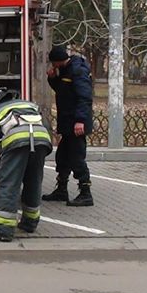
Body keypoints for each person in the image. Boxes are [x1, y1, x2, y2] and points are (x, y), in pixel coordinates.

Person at [0, 88, 53, 242]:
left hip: (17, 142)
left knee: (9, 184)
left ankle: (3, 229)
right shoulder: (29, 105)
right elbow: (46, 124)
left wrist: (1, 162)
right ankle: (30, 223)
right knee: (33, 181)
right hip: (41, 140)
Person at [43, 45, 95, 206]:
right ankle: (61, 190)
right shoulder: (65, 70)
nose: (53, 66)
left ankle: (86, 193)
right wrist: (52, 78)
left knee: (76, 157)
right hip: (68, 122)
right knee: (63, 157)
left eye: (53, 64)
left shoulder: (77, 70)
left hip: (76, 123)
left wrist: (80, 120)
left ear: (58, 61)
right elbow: (62, 90)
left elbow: (84, 97)